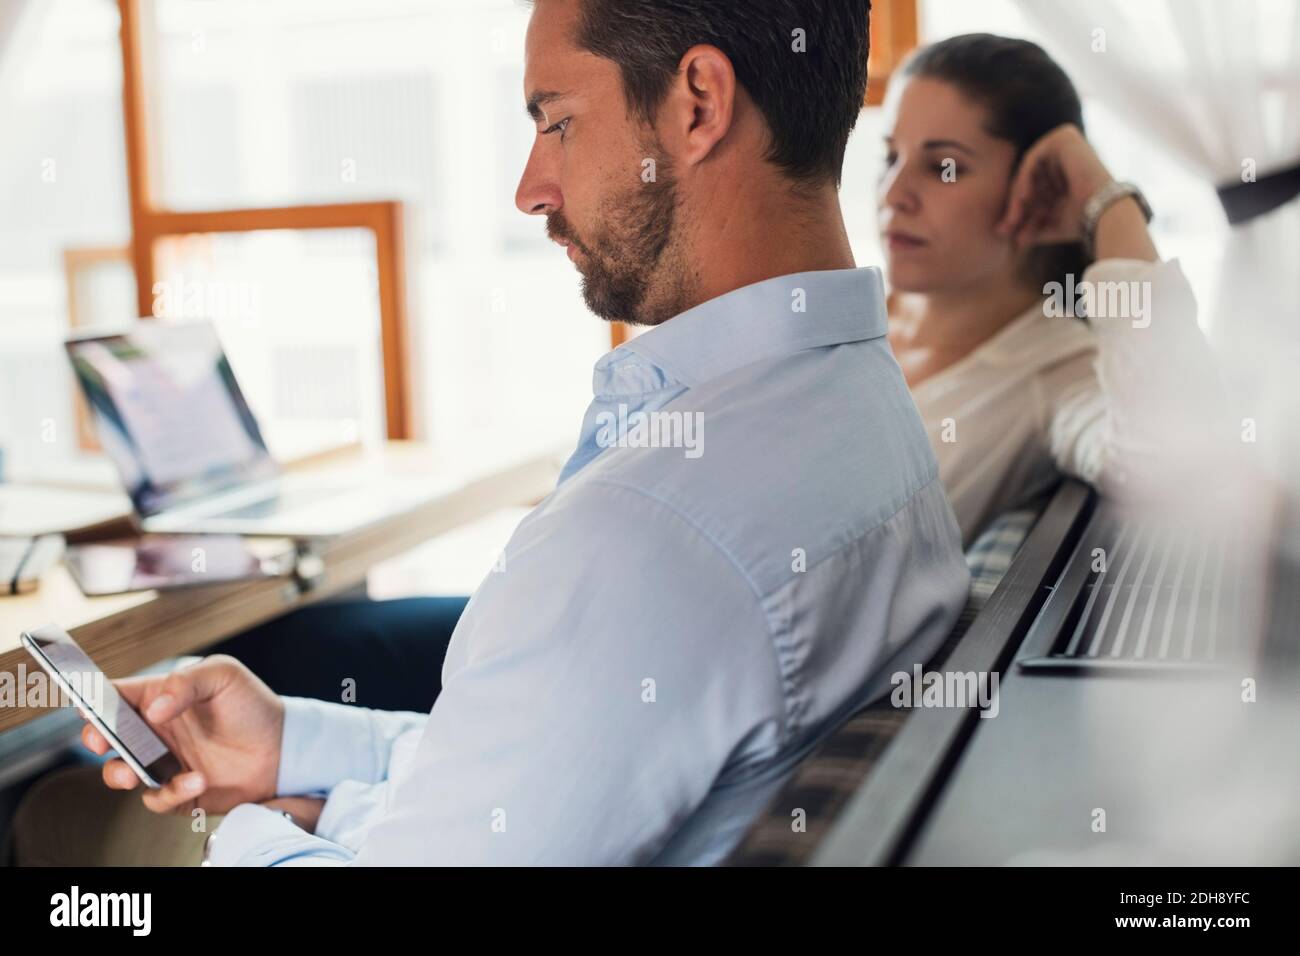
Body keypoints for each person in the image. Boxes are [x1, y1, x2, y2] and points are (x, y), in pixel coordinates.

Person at [14, 0, 968, 866]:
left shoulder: (650, 533)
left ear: (698, 104)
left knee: (55, 818)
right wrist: (297, 745)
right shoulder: (862, 408)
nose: (531, 186)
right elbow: (553, 771)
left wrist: (268, 826)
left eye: (557, 120)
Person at [879, 33, 1231, 546]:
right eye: (890, 158)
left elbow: (1175, 459)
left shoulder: (1058, 370)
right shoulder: (845, 310)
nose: (893, 194)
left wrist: (1106, 201)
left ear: (1033, 187)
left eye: (942, 167)